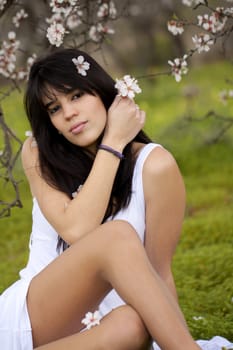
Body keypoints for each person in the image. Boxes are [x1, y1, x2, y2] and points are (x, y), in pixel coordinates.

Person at [0, 48, 231, 350]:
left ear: (102, 91)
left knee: (134, 325)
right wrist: (114, 142)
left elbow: (158, 273)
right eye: (54, 108)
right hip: (29, 322)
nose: (68, 113)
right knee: (116, 237)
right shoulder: (39, 154)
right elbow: (77, 229)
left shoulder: (154, 166)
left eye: (76, 95)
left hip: (100, 330)